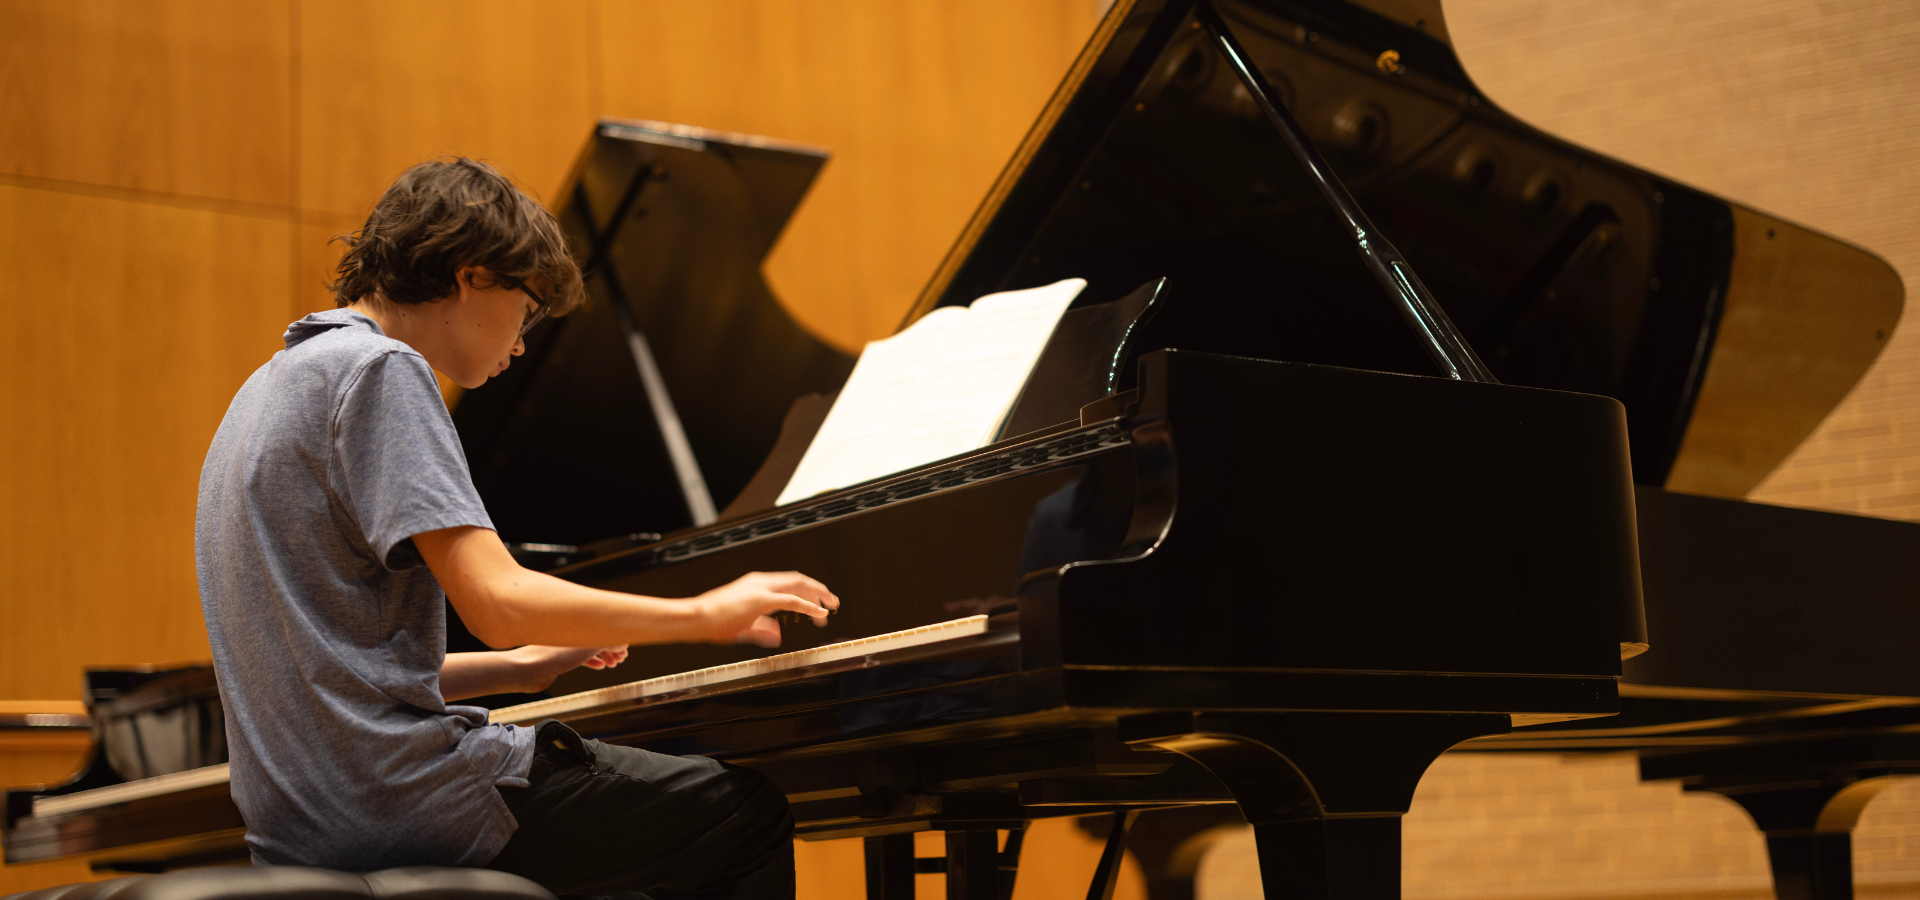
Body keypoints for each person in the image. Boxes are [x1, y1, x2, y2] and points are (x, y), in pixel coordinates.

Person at [195, 157, 836, 899]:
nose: (523, 343)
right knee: (742, 814)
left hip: (302, 823)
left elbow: (329, 672)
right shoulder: (381, 370)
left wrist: (521, 668)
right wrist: (704, 613)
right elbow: (494, 603)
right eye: (527, 309)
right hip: (401, 802)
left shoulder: (268, 388)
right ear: (472, 275)